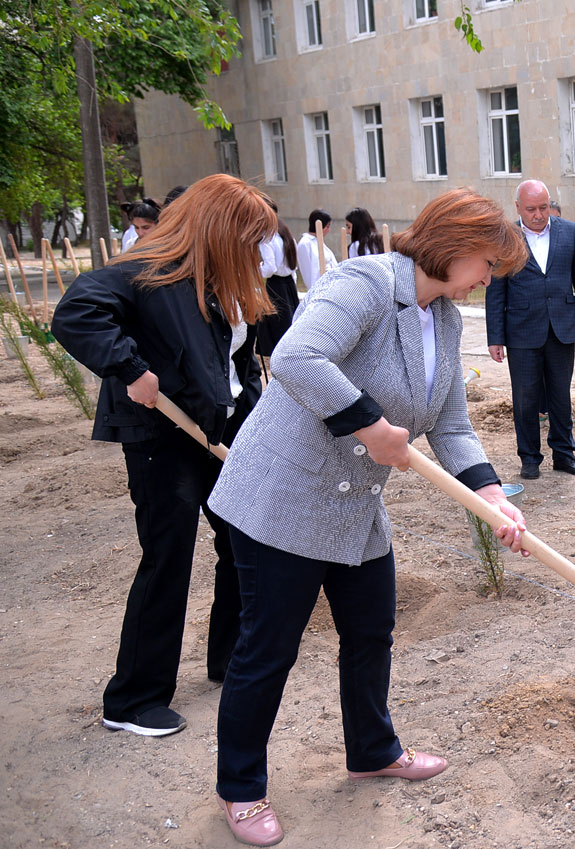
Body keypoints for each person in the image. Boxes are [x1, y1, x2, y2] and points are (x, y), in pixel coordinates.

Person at [206, 188, 531, 846]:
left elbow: (451, 424)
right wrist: (369, 424)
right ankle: (240, 788)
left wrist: (491, 494)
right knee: (268, 648)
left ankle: (372, 750)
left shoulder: (444, 320)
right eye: (488, 266)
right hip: (284, 495)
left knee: (370, 631)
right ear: (458, 247)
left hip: (355, 504)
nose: (488, 281)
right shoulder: (366, 283)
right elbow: (297, 357)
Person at [51, 174, 273, 739]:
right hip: (162, 436)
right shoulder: (148, 270)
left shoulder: (224, 281)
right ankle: (134, 699)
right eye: (249, 236)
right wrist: (130, 368)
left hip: (218, 431)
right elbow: (76, 313)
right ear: (218, 228)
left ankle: (230, 657)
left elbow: (236, 365)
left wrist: (253, 423)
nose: (256, 249)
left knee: (240, 542)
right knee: (169, 556)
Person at [484, 179, 575, 480]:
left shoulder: (569, 232)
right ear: (518, 207)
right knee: (525, 398)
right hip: (521, 331)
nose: (538, 215)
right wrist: (495, 337)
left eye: (543, 208)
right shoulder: (505, 237)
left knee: (560, 395)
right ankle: (529, 458)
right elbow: (496, 291)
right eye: (531, 209)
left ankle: (564, 454)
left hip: (561, 327)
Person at [256, 207, 299, 358]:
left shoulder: (267, 237)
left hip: (276, 287)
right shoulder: (286, 233)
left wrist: (255, 271)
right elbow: (293, 267)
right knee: (290, 326)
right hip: (289, 285)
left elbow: (270, 268)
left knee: (278, 331)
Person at [295, 210, 339, 292]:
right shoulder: (305, 244)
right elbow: (308, 272)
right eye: (327, 226)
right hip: (320, 289)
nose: (329, 230)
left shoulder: (318, 241)